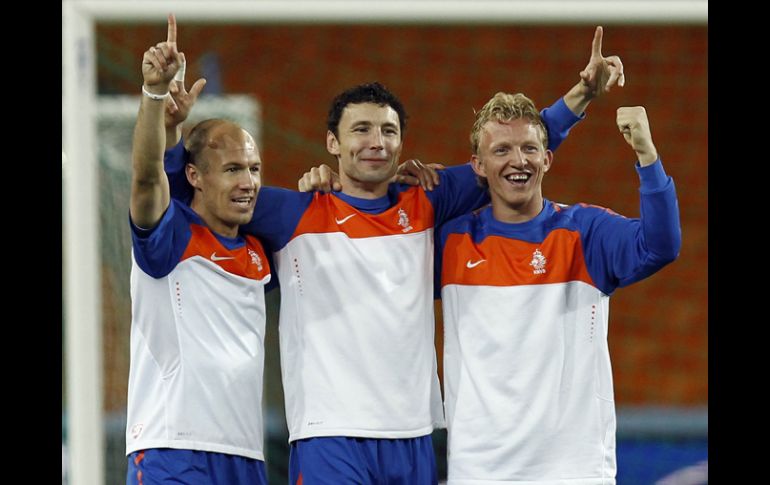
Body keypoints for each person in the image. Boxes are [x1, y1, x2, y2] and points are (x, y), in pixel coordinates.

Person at [164, 20, 622, 483]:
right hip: (330, 435)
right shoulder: (292, 211)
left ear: (402, 142)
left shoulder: (426, 200)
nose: (375, 142)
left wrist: (580, 98)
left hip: (415, 434)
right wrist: (165, 122)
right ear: (332, 143)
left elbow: (512, 152)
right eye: (360, 129)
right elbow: (193, 189)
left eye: (387, 130)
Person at [437, 93, 681, 484]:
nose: (519, 161)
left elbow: (661, 245)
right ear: (478, 167)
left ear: (547, 159)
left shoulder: (585, 231)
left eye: (530, 148)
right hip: (479, 471)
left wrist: (647, 155)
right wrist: (333, 184)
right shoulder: (449, 243)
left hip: (574, 469)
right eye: (502, 150)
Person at [125, 15, 271, 484]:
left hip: (245, 454)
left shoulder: (258, 252)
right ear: (195, 177)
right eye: (232, 169)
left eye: (253, 168)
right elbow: (148, 176)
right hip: (173, 450)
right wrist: (153, 96)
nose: (248, 182)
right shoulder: (168, 239)